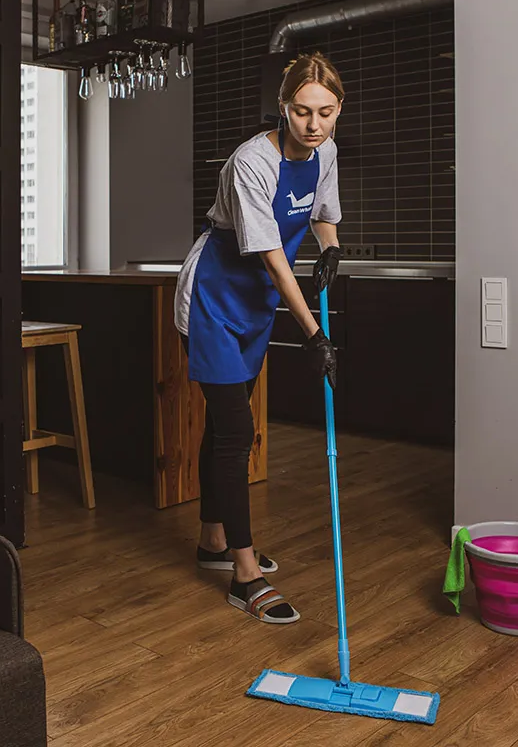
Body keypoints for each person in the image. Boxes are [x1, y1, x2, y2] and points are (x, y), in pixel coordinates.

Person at [174, 51, 345, 624]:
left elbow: (322, 212)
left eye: (324, 112)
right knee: (238, 430)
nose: (313, 124)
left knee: (228, 422)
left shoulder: (326, 154)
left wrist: (332, 248)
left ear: (338, 110)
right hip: (215, 299)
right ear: (283, 109)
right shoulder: (252, 162)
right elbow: (272, 257)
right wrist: (316, 333)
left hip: (257, 304)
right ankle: (244, 576)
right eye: (301, 112)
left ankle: (212, 544)